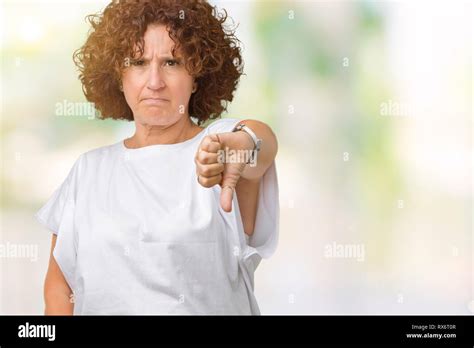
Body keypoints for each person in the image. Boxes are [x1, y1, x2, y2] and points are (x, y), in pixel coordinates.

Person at [35, 0, 279, 315]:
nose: (154, 82)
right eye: (137, 62)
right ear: (117, 75)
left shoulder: (216, 148)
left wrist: (242, 143)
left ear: (198, 74)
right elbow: (60, 287)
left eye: (172, 62)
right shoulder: (89, 170)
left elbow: (261, 142)